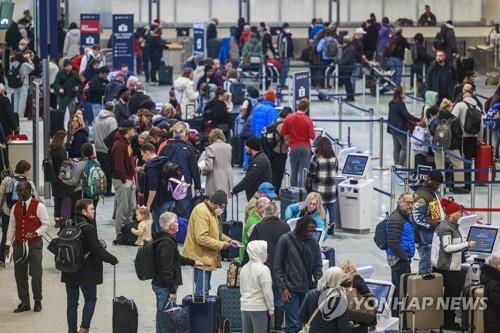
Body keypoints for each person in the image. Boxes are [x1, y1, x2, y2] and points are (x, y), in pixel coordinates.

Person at [62, 199, 118, 333]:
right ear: (84, 211)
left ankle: (71, 330)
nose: (94, 211)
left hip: (68, 269)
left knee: (72, 303)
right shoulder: (88, 228)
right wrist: (112, 259)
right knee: (90, 298)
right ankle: (84, 328)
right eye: (91, 209)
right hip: (86, 270)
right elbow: (97, 250)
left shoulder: (67, 224)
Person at [182, 190, 241, 296]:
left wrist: (229, 240)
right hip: (199, 257)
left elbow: (216, 233)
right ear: (217, 204)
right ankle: (201, 312)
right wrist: (221, 244)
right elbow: (201, 238)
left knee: (205, 289)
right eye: (222, 207)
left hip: (206, 256)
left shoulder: (211, 212)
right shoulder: (202, 212)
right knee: (202, 292)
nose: (222, 210)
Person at [152, 211, 203, 332]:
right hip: (164, 286)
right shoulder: (166, 244)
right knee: (164, 316)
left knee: (162, 313)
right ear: (170, 226)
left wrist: (193, 262)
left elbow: (176, 258)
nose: (178, 224)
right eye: (175, 222)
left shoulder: (163, 239)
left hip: (160, 284)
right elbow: (166, 270)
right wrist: (172, 291)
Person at [4, 181, 49, 313]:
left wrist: (36, 232)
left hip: (34, 244)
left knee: (35, 273)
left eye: (21, 190)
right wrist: (7, 245)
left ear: (29, 190)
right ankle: (24, 302)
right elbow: (11, 227)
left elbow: (46, 224)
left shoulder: (39, 206)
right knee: (20, 274)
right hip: (18, 244)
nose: (19, 193)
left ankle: (37, 300)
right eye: (17, 191)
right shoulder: (15, 207)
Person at [274, 215, 323, 333]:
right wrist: (282, 288)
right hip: (290, 290)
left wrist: (319, 287)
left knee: (305, 324)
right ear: (301, 228)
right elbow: (277, 266)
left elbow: (318, 267)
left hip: (306, 289)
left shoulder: (314, 243)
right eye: (309, 230)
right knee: (293, 324)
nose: (311, 233)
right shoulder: (285, 239)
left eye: (313, 231)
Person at [431, 198, 474, 330]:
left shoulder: (450, 226)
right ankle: (449, 322)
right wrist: (467, 245)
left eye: (460, 212)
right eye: (457, 212)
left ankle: (447, 320)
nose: (459, 215)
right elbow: (448, 247)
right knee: (451, 297)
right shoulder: (446, 228)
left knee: (450, 297)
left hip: (449, 267)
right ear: (450, 214)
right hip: (448, 269)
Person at [246, 201, 290, 329]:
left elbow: (251, 247)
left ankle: (265, 327)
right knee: (278, 297)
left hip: (262, 268)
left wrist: (244, 266)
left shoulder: (259, 227)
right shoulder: (285, 227)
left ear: (265, 213)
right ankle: (278, 326)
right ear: (277, 212)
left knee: (263, 298)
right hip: (280, 269)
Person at [0, 161, 39, 268]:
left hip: (7, 211)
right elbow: (36, 198)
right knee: (25, 234)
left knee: (6, 235)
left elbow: (1, 196)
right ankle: (25, 256)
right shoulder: (29, 183)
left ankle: (2, 260)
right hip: (24, 214)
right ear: (25, 171)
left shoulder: (7, 180)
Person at [159, 124, 201, 219]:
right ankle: (183, 232)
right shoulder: (189, 149)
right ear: (185, 135)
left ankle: (168, 233)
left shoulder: (166, 148)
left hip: (168, 185)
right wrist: (197, 186)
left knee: (167, 214)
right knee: (184, 213)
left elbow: (160, 165)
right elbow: (194, 169)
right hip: (184, 185)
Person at [386, 192, 416, 316]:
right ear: (400, 202)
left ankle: (395, 316)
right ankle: (397, 317)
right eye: (408, 203)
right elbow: (393, 242)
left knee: (398, 289)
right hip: (399, 259)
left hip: (402, 257)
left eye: (412, 203)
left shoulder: (405, 216)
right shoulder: (396, 218)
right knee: (400, 289)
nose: (410, 205)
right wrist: (405, 257)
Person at [429, 99, 467, 194]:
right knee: (458, 164)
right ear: (450, 107)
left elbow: (431, 130)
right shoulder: (454, 119)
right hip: (451, 146)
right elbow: (459, 133)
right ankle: (458, 186)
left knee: (439, 165)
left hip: (438, 146)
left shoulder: (436, 118)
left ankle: (440, 186)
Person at [452, 83, 484, 189]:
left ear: (465, 93)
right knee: (470, 160)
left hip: (461, 137)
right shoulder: (478, 108)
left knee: (460, 160)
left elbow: (452, 119)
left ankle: (461, 182)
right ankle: (469, 183)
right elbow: (481, 125)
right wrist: (480, 138)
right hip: (473, 137)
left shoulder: (460, 105)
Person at [299, 267, 350, 333]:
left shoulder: (312, 294)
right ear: (338, 281)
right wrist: (351, 325)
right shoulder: (340, 300)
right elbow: (344, 328)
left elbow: (302, 316)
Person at [412, 170, 444, 274]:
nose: (437, 186)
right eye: (436, 184)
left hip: (433, 235)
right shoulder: (420, 195)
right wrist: (433, 224)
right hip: (423, 237)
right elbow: (417, 218)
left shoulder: (432, 193)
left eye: (438, 185)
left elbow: (435, 213)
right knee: (425, 265)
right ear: (429, 180)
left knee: (431, 264)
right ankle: (423, 286)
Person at [240, 240, 275, 333]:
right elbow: (267, 292)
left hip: (245, 307)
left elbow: (242, 290)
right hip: (259, 308)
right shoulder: (263, 269)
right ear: (260, 252)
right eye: (265, 251)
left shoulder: (243, 268)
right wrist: (271, 309)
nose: (267, 254)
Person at [280, 99, 315, 187]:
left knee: (294, 171)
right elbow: (312, 136)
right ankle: (302, 193)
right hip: (305, 148)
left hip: (293, 147)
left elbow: (282, 132)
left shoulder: (289, 118)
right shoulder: (308, 120)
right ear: (306, 109)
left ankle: (293, 192)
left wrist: (289, 139)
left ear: (297, 106)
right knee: (304, 172)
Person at [111, 122, 136, 242]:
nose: (134, 131)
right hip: (122, 179)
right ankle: (120, 233)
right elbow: (118, 164)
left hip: (128, 178)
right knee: (123, 207)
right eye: (133, 129)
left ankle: (127, 230)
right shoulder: (120, 145)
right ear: (128, 130)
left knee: (131, 206)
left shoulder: (126, 143)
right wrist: (124, 179)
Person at [140, 143, 173, 233]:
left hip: (159, 202)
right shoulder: (165, 161)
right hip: (170, 198)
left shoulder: (152, 166)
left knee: (160, 230)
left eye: (143, 155)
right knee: (169, 228)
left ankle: (162, 245)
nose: (142, 158)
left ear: (147, 152)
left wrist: (148, 205)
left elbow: (153, 188)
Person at [308, 137, 338, 235]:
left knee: (322, 209)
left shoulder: (316, 158)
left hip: (319, 189)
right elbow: (336, 170)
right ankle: (332, 224)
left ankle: (323, 227)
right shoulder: (334, 158)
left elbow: (311, 173)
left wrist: (308, 187)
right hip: (332, 189)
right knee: (332, 206)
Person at [61, 143, 100, 212]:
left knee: (80, 213)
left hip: (82, 193)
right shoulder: (97, 163)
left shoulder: (81, 164)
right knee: (92, 213)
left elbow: (74, 181)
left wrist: (63, 180)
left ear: (82, 153)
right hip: (95, 193)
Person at [387, 86, 420, 166]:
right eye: (403, 92)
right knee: (405, 147)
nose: (404, 94)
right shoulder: (400, 104)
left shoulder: (392, 103)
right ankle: (400, 165)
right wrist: (418, 120)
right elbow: (406, 115)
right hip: (399, 128)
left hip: (392, 128)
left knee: (396, 148)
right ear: (400, 94)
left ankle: (396, 165)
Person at [232, 136, 272, 201]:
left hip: (260, 199)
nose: (245, 148)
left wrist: (235, 190)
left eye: (246, 146)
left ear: (252, 147)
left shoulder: (259, 161)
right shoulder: (258, 158)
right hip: (259, 196)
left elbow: (248, 180)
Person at [49, 130, 74, 226]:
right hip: (61, 179)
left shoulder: (52, 150)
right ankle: (64, 219)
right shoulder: (62, 152)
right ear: (62, 139)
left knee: (57, 199)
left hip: (54, 178)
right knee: (66, 198)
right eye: (66, 137)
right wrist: (69, 163)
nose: (67, 139)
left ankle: (57, 218)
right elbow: (64, 167)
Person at [340, 260, 372, 333]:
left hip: (343, 320)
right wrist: (373, 322)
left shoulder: (337, 281)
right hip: (358, 321)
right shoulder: (357, 279)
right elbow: (370, 299)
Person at [201, 128, 233, 199]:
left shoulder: (210, 148)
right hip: (227, 178)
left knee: (215, 203)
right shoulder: (228, 147)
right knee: (224, 201)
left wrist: (202, 169)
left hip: (215, 178)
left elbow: (209, 167)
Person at [94, 101, 118, 196]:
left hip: (98, 146)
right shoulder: (111, 120)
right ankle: (108, 190)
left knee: (102, 169)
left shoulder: (98, 118)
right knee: (108, 170)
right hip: (107, 148)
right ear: (113, 109)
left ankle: (101, 189)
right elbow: (113, 135)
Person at [240, 197, 270, 263]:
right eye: (267, 209)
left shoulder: (254, 215)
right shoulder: (254, 223)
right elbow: (257, 244)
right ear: (260, 208)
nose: (269, 211)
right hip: (249, 258)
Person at [268, 107, 292, 192]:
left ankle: (271, 190)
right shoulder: (282, 125)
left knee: (273, 172)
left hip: (272, 150)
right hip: (280, 152)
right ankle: (275, 192)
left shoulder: (274, 122)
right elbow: (287, 139)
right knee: (279, 173)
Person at [480, 252, 500, 333]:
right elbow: (497, 303)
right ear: (498, 265)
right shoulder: (495, 283)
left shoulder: (491, 279)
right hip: (495, 323)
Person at [10, 52, 34, 116]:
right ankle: (20, 115)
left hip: (15, 83)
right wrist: (29, 59)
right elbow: (32, 68)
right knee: (22, 100)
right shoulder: (25, 64)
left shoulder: (13, 63)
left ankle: (15, 114)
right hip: (23, 83)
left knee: (16, 99)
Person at [338, 35, 356, 101]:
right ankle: (349, 96)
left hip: (347, 68)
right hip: (345, 68)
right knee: (347, 83)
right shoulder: (347, 48)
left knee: (347, 83)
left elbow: (348, 59)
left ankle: (350, 96)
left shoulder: (349, 48)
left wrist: (340, 63)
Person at [277, 22, 294, 90]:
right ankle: (281, 84)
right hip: (284, 56)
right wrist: (281, 56)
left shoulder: (288, 36)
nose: (288, 29)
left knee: (286, 70)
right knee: (284, 70)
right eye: (287, 28)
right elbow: (280, 46)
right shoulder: (282, 35)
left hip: (288, 55)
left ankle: (283, 83)